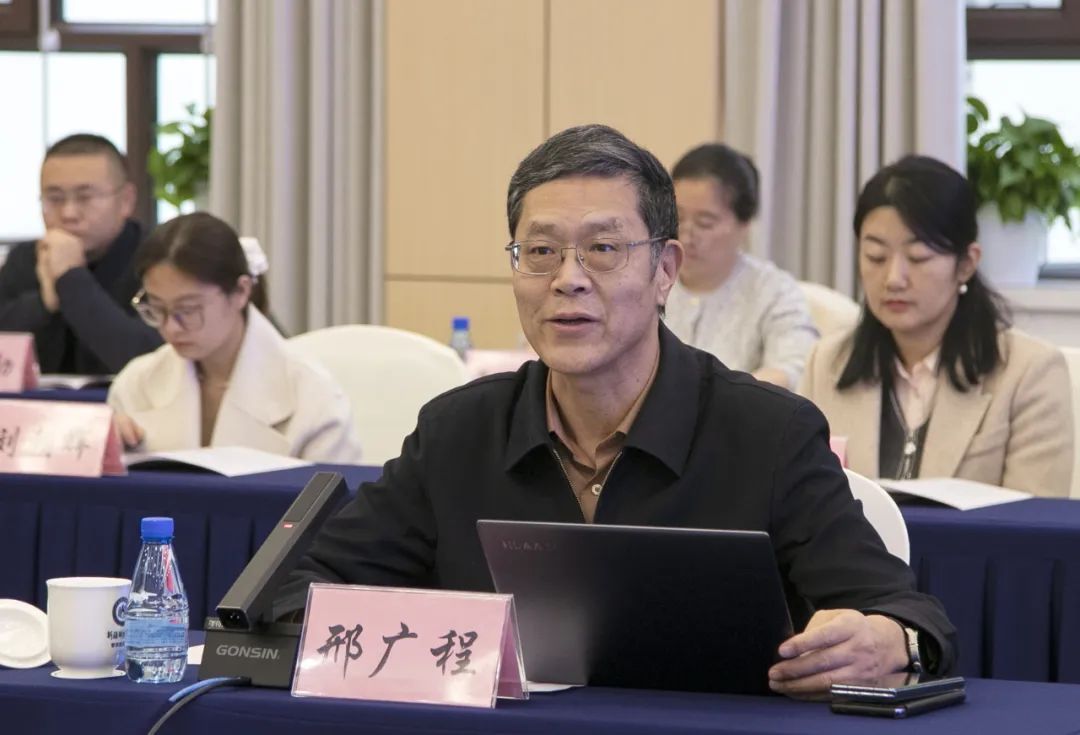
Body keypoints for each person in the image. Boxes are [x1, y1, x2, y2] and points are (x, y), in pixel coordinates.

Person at [274, 125, 956, 696]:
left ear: (665, 270)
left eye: (603, 249)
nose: (567, 278)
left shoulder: (768, 434)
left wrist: (887, 641)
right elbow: (297, 594)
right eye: (540, 251)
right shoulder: (456, 433)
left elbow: (911, 617)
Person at [799, 155, 1072, 497]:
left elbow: (1035, 521)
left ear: (966, 264)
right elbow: (801, 503)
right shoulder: (825, 364)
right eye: (875, 257)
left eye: (918, 258)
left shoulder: (1029, 373)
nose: (893, 279)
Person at [108, 212, 363, 463]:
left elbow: (335, 488)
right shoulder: (136, 382)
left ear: (241, 291)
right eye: (157, 308)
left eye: (187, 309)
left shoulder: (312, 394)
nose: (171, 328)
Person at [0, 134, 161, 374]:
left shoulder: (160, 260)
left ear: (126, 201)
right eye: (54, 198)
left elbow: (149, 363)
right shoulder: (24, 259)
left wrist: (72, 280)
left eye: (85, 197)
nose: (68, 213)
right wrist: (45, 302)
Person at [664, 143, 817, 389]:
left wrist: (725, 397)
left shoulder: (773, 291)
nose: (686, 235)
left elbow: (796, 368)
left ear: (744, 225)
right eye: (677, 218)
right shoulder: (648, 278)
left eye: (705, 223)